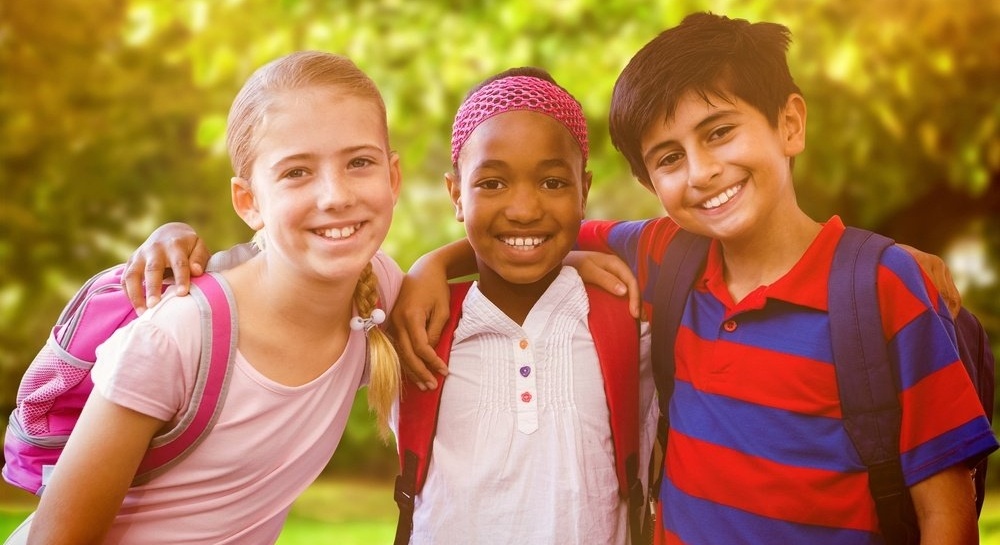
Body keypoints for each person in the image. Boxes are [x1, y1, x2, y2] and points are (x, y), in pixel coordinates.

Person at [393, 13, 997, 545]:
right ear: (651, 185)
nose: (703, 172)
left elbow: (948, 516)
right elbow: (533, 234)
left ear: (790, 124)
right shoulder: (667, 256)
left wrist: (883, 261)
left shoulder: (881, 287)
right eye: (669, 158)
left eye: (719, 132)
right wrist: (435, 266)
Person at [26, 50, 405, 544]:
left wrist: (444, 263)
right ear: (249, 202)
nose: (335, 195)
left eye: (359, 162)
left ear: (393, 178)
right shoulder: (177, 338)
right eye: (296, 172)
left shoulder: (379, 293)